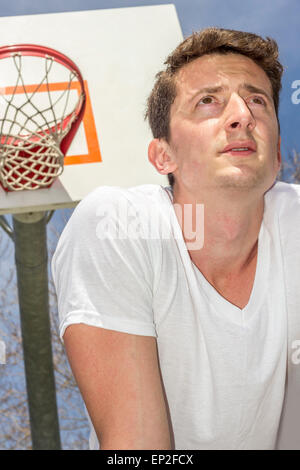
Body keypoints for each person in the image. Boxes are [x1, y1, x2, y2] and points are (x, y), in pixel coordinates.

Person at [51, 27, 300, 450]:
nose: (243, 115)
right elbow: (139, 449)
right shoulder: (119, 225)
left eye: (257, 99)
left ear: (277, 156)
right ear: (163, 156)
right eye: (208, 101)